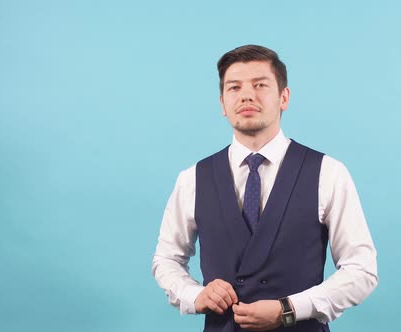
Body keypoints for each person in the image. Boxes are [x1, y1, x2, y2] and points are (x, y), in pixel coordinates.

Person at [152, 45, 378, 332]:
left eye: (260, 85)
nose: (247, 95)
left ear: (284, 97)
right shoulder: (193, 178)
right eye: (234, 88)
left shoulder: (328, 172)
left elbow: (362, 270)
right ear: (222, 104)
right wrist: (195, 295)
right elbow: (166, 259)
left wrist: (289, 310)